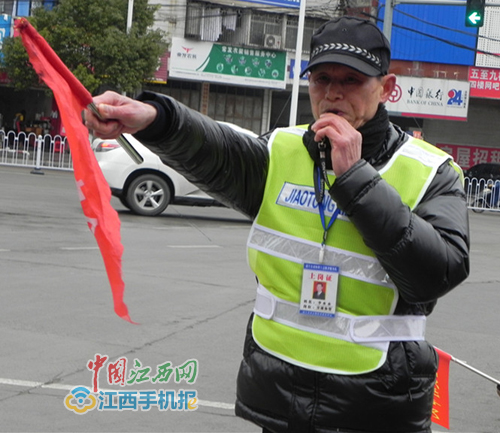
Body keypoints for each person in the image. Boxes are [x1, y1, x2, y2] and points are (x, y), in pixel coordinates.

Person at [85, 16, 470, 433]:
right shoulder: (281, 148)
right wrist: (155, 119)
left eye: (352, 80)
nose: (334, 93)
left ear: (387, 87)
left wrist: (356, 178)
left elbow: (436, 274)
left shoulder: (431, 171)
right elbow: (215, 149)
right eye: (322, 79)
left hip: (376, 408)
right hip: (279, 397)